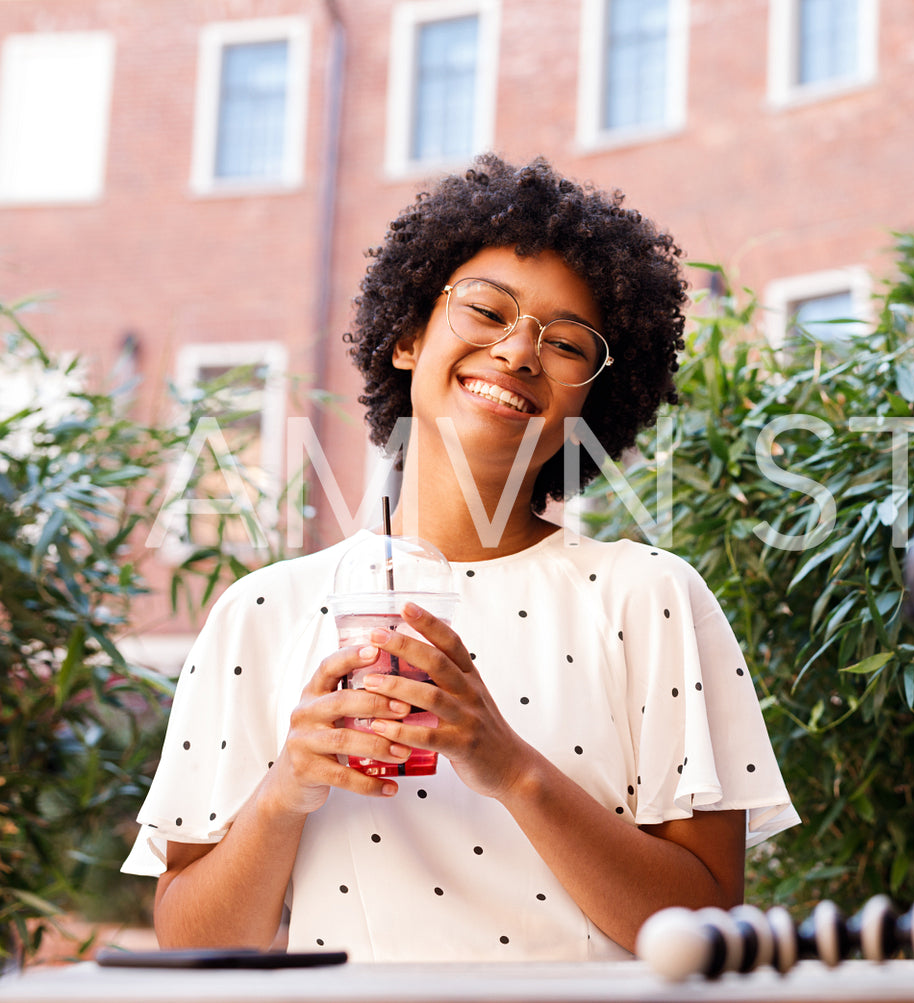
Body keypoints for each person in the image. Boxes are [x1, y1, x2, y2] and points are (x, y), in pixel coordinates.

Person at [122, 154, 797, 962]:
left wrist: (507, 764)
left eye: (568, 343)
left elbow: (708, 923)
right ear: (409, 336)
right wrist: (283, 793)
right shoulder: (262, 613)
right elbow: (193, 943)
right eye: (486, 310)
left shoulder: (645, 596)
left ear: (594, 399)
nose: (517, 352)